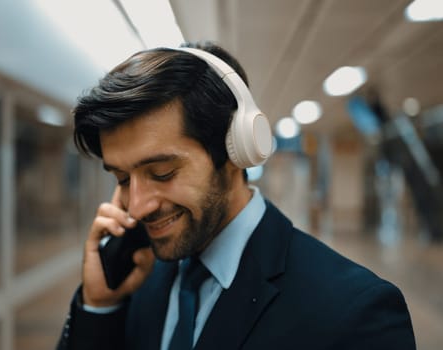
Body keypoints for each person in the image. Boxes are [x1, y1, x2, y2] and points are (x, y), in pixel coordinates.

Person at [57, 41, 415, 349]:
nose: (137, 205)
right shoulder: (136, 277)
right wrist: (99, 306)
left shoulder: (353, 313)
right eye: (121, 178)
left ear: (235, 150)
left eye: (162, 173)